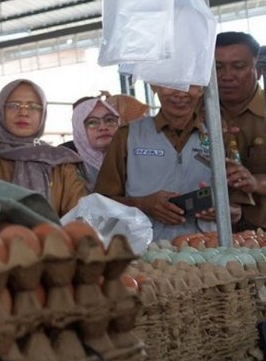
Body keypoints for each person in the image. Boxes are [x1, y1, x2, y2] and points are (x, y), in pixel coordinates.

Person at [95, 83, 239, 242]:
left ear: (202, 88)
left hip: (206, 251)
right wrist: (142, 204)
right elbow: (101, 202)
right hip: (145, 250)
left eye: (191, 84)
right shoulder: (129, 136)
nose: (181, 92)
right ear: (154, 86)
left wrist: (222, 210)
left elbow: (238, 211)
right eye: (171, 83)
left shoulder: (219, 137)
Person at [0, 79, 87, 216]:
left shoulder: (62, 162)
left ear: (43, 113)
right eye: (14, 105)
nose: (23, 112)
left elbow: (77, 216)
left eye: (33, 107)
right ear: (1, 111)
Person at [215, 31, 266, 229]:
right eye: (217, 67)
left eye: (238, 67)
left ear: (258, 71)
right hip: (208, 236)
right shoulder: (195, 115)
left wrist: (255, 182)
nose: (227, 76)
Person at [69, 96, 121, 192]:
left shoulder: (133, 162)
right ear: (79, 130)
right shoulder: (69, 171)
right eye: (92, 122)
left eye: (109, 120)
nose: (103, 127)